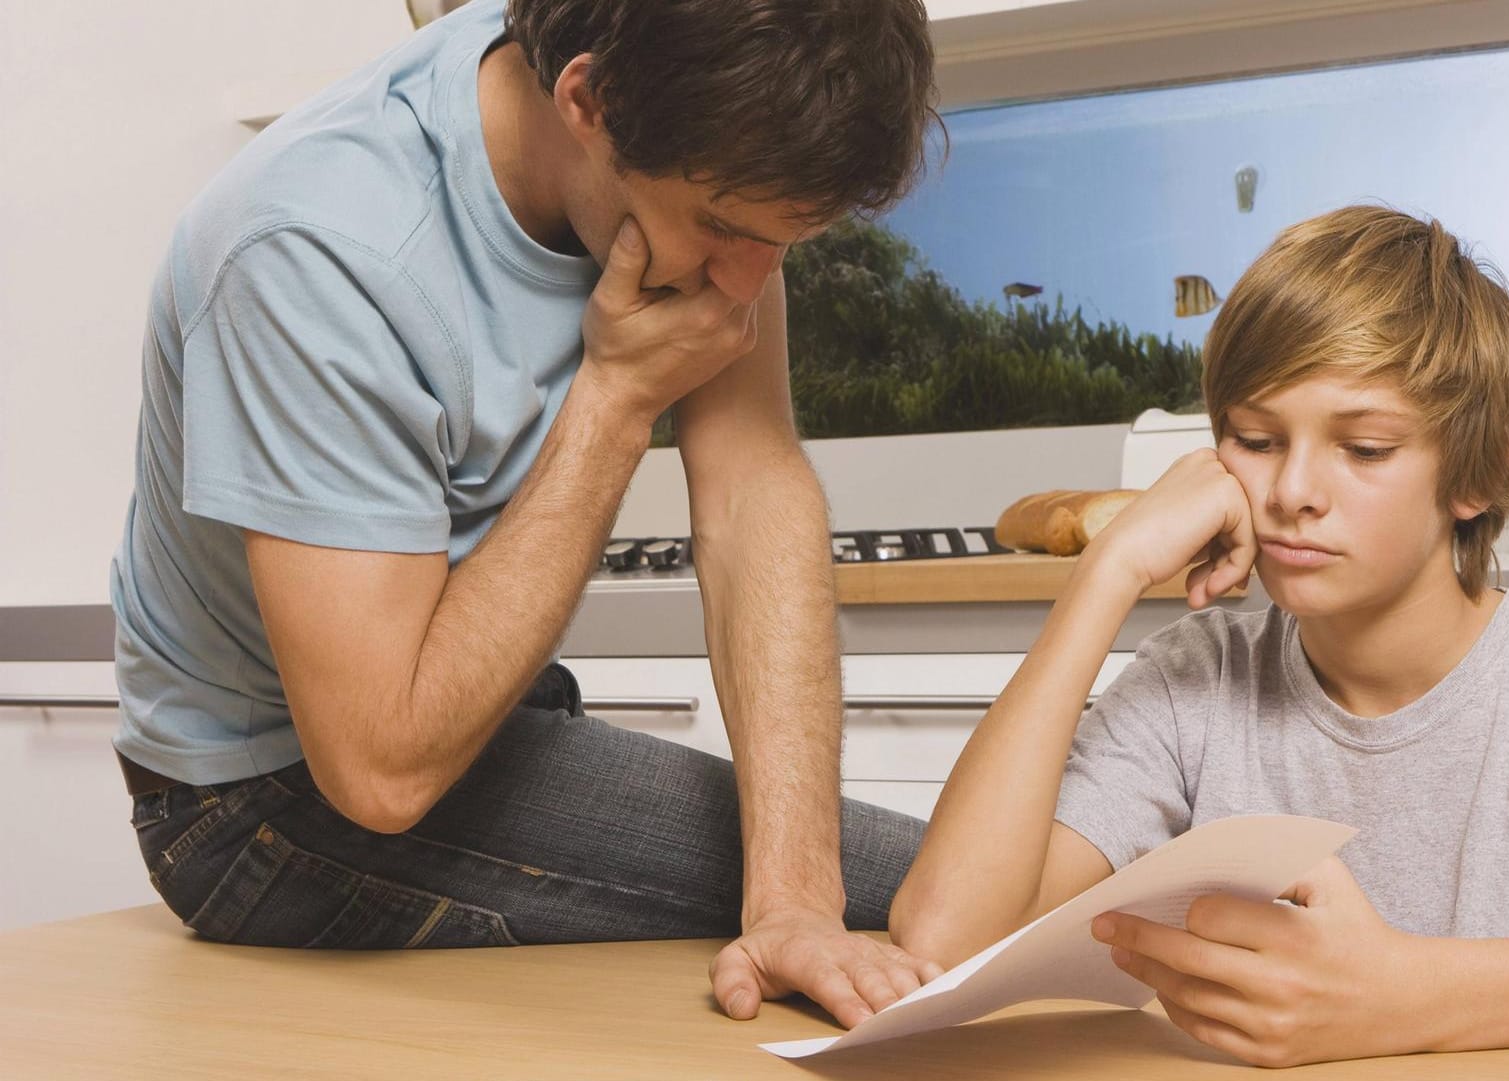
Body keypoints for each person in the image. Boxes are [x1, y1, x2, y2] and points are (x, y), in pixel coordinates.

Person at [890, 205, 1509, 1066]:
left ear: (1476, 474)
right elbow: (944, 941)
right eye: (1254, 440)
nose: (1293, 491)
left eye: (1364, 448)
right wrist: (1106, 575)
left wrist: (1405, 995)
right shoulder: (1193, 682)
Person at [110, 0, 945, 1028]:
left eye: (782, 241)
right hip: (259, 804)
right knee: (939, 893)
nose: (748, 285)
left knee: (933, 887)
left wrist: (795, 899)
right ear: (585, 100)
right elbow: (378, 770)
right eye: (726, 229)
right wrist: (614, 402)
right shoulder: (313, 251)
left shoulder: (695, 123)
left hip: (489, 721)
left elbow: (753, 481)